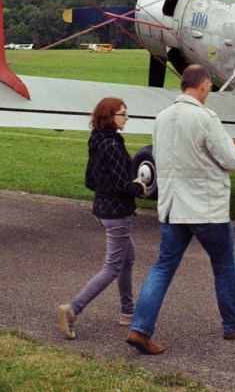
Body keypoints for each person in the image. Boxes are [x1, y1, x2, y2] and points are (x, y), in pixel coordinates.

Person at [126, 65, 235, 355]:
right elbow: (230, 160)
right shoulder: (205, 117)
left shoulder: (162, 117)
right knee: (224, 266)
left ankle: (140, 328)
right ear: (204, 85)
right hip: (206, 208)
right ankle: (234, 323)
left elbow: (159, 155)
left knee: (163, 267)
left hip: (173, 207)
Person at [57, 97, 146, 339]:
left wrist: (108, 191)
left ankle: (128, 311)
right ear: (110, 117)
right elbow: (122, 184)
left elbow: (90, 180)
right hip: (117, 213)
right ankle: (73, 309)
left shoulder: (97, 141)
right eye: (123, 114)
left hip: (104, 209)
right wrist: (139, 188)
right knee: (113, 266)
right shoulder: (112, 145)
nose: (127, 117)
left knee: (128, 259)